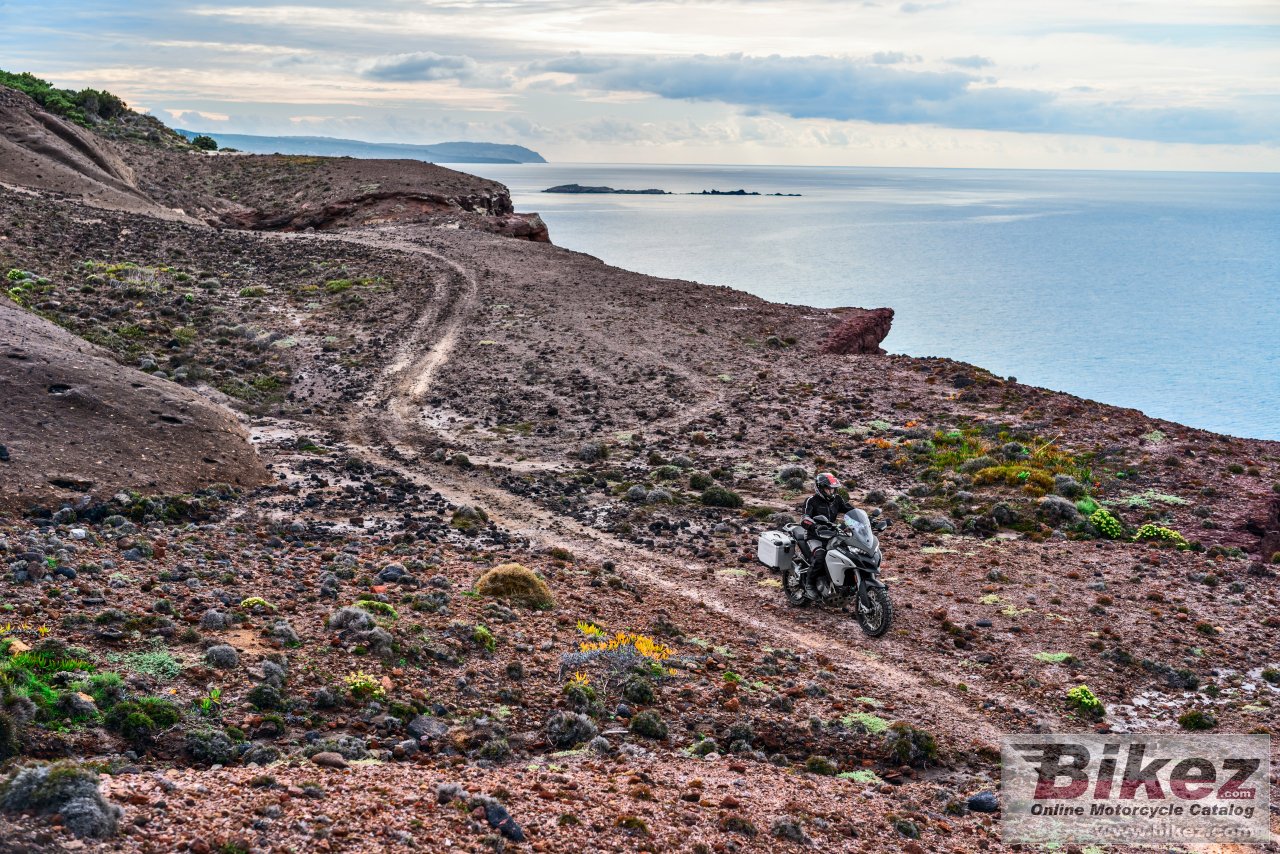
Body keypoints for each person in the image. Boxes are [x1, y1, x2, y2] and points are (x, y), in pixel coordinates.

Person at [799, 473, 853, 598]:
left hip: (832, 535)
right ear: (820, 488)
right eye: (828, 489)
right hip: (814, 536)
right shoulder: (811, 501)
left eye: (833, 489)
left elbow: (851, 511)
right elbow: (804, 519)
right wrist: (815, 526)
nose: (831, 492)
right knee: (820, 556)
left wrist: (868, 519)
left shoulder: (837, 499)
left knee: (848, 554)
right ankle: (809, 585)